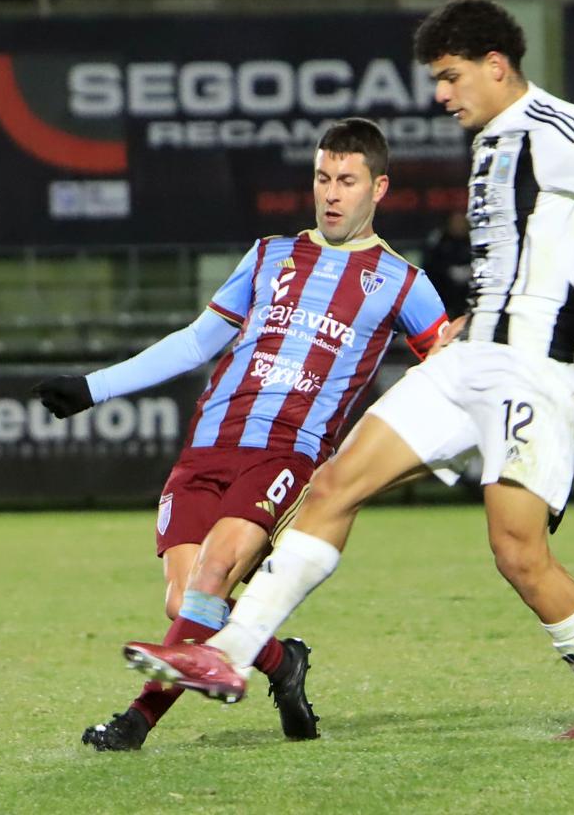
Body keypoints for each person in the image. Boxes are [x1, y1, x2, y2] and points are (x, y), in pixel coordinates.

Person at [122, 0, 574, 741]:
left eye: (450, 77)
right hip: (468, 363)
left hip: (534, 374)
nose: (440, 94)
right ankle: (228, 655)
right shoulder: (490, 139)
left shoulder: (564, 132)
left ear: (497, 65)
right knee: (333, 484)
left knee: (518, 552)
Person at [34, 117, 449, 751]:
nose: (331, 193)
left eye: (347, 180)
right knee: (185, 608)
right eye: (322, 178)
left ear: (379, 188)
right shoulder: (268, 255)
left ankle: (134, 723)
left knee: (212, 577)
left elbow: (452, 379)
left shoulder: (405, 284)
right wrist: (95, 387)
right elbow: (199, 340)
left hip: (286, 453)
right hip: (208, 446)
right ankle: (283, 663)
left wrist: (505, 461)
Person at [422, 209, 476, 319]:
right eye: (455, 222)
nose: (459, 226)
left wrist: (470, 270)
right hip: (444, 286)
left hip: (469, 284)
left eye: (461, 222)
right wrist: (448, 271)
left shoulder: (474, 240)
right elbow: (430, 263)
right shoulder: (440, 239)